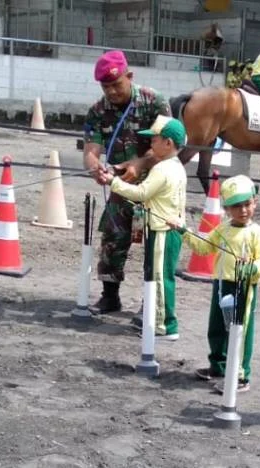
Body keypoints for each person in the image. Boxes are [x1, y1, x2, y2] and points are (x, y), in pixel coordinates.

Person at [83, 50, 172, 313]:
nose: (111, 92)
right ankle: (110, 296)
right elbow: (91, 149)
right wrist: (94, 167)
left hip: (156, 187)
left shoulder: (154, 102)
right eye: (105, 86)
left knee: (155, 244)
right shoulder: (98, 111)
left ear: (129, 76)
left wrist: (141, 163)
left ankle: (151, 305)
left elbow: (170, 146)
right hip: (121, 185)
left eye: (116, 84)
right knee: (112, 237)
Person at [168, 175, 260, 393]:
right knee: (217, 327)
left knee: (240, 331)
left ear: (255, 203)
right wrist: (183, 230)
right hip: (222, 285)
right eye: (236, 206)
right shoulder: (223, 229)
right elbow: (203, 248)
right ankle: (218, 366)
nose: (243, 210)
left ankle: (240, 375)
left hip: (243, 287)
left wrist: (252, 268)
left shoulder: (257, 233)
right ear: (226, 209)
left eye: (247, 204)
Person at [97, 116, 187, 340]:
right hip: (167, 229)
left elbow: (141, 193)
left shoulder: (162, 169)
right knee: (160, 275)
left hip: (162, 231)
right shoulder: (176, 167)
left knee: (159, 276)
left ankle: (164, 325)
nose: (151, 144)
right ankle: (160, 321)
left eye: (155, 140)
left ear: (168, 143)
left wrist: (113, 183)